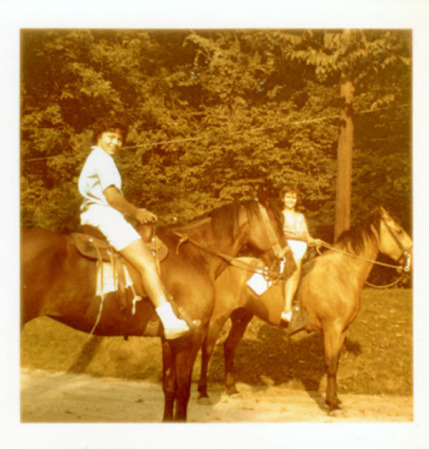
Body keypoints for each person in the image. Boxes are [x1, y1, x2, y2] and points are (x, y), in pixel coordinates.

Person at [78, 116, 190, 339]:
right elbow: (112, 197)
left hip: (94, 214)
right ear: (99, 136)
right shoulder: (102, 159)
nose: (116, 142)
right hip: (105, 215)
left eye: (119, 139)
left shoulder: (96, 157)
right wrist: (137, 212)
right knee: (147, 262)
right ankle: (169, 322)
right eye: (111, 136)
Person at [279, 185, 319, 327]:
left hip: (302, 247)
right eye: (288, 197)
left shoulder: (300, 216)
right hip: (286, 247)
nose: (291, 200)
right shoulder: (280, 215)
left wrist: (314, 241)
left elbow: (306, 236)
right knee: (295, 265)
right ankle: (287, 308)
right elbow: (278, 235)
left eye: (294, 197)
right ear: (283, 199)